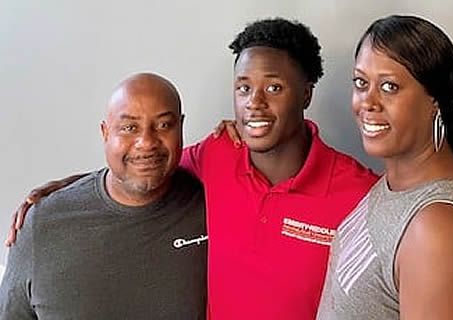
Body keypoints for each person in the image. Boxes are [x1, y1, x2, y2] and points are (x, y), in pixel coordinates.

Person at [4, 19, 380, 320]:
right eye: (244, 88)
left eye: (275, 88)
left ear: (307, 94)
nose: (255, 103)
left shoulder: (359, 193)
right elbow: (144, 167)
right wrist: (63, 191)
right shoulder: (217, 155)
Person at [315, 15, 453, 320]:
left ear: (435, 101)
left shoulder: (438, 233)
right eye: (361, 83)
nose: (368, 102)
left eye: (389, 86)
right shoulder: (398, 183)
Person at [0, 73, 208, 319]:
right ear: (105, 133)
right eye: (129, 128)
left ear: (180, 127)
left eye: (163, 125)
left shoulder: (211, 205)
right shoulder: (41, 223)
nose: (146, 142)